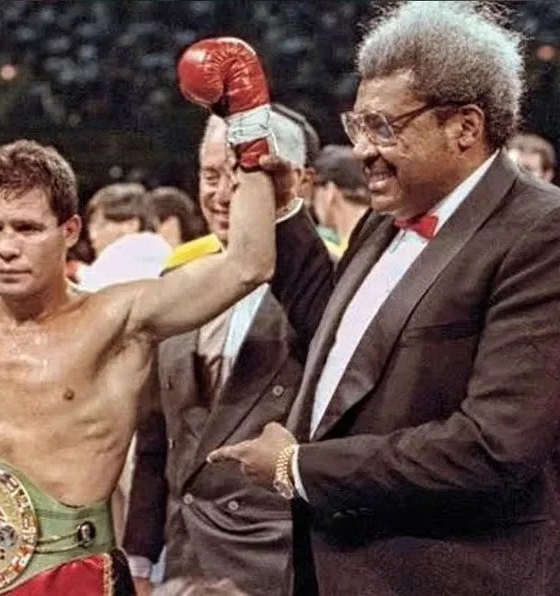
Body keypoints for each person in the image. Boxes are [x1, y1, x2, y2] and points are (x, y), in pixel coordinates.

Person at [0, 24, 291, 595]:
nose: (5, 247)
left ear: (69, 231)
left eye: (26, 228)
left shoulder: (120, 318)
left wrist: (248, 123)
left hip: (72, 575)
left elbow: (247, 263)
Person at [203, 4, 560, 595]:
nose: (362, 150)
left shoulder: (541, 231)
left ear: (465, 126)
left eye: (384, 128)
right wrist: (286, 213)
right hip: (336, 567)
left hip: (447, 576)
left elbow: (494, 446)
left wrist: (298, 467)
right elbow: (338, 336)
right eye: (358, 126)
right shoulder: (383, 219)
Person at [124, 114, 308, 596]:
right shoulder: (175, 283)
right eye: (210, 175)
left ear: (292, 182)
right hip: (182, 563)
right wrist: (139, 559)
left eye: (239, 176)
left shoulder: (327, 289)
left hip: (280, 564)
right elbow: (156, 440)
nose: (222, 194)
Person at [81, 182, 173, 291]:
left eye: (102, 225)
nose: (92, 235)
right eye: (90, 227)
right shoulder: (170, 265)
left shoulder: (112, 265)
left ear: (131, 225)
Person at [310, 145, 369, 257]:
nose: (314, 204)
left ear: (329, 191)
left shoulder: (323, 252)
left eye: (315, 194)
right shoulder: (386, 238)